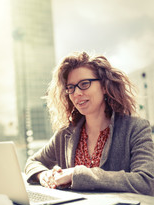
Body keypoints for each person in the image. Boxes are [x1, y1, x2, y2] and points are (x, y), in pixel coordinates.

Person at [25, 51, 154, 196]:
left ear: (104, 86)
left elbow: (147, 182)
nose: (76, 93)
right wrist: (43, 175)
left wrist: (78, 174)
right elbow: (32, 163)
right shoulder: (64, 134)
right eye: (71, 88)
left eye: (84, 84)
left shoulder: (135, 128)